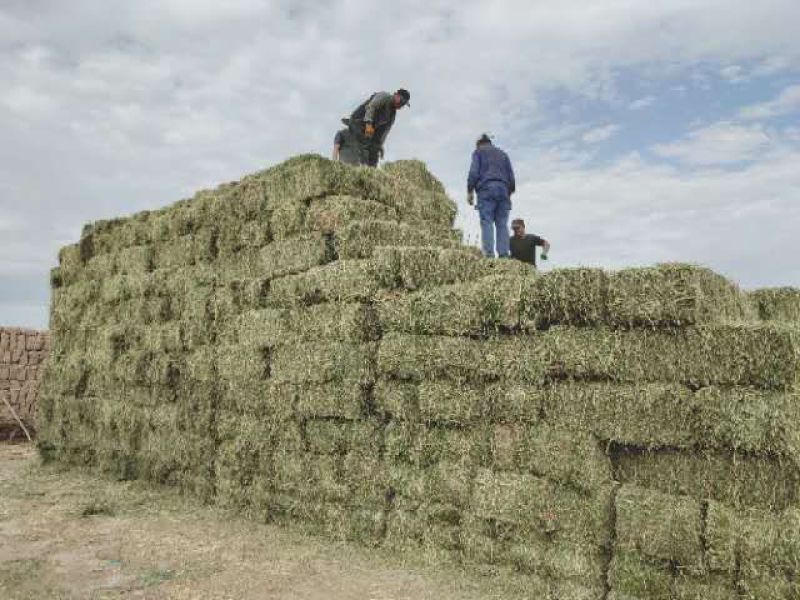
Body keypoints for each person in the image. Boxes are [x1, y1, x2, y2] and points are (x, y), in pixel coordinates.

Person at [467, 134, 515, 258]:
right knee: (502, 224)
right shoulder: (503, 154)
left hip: (486, 189)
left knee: (487, 221)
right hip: (504, 190)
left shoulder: (478, 152)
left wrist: (470, 191)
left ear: (479, 144)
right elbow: (512, 179)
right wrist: (508, 194)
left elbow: (473, 172)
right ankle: (504, 255)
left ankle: (489, 255)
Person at [344, 89, 411, 166]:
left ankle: (371, 172)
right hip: (358, 122)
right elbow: (371, 107)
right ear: (396, 95)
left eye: (403, 104)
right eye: (401, 102)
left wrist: (379, 146)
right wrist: (368, 124)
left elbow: (385, 131)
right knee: (363, 147)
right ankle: (357, 167)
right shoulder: (384, 96)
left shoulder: (392, 115)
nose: (401, 105)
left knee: (374, 151)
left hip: (368, 130)